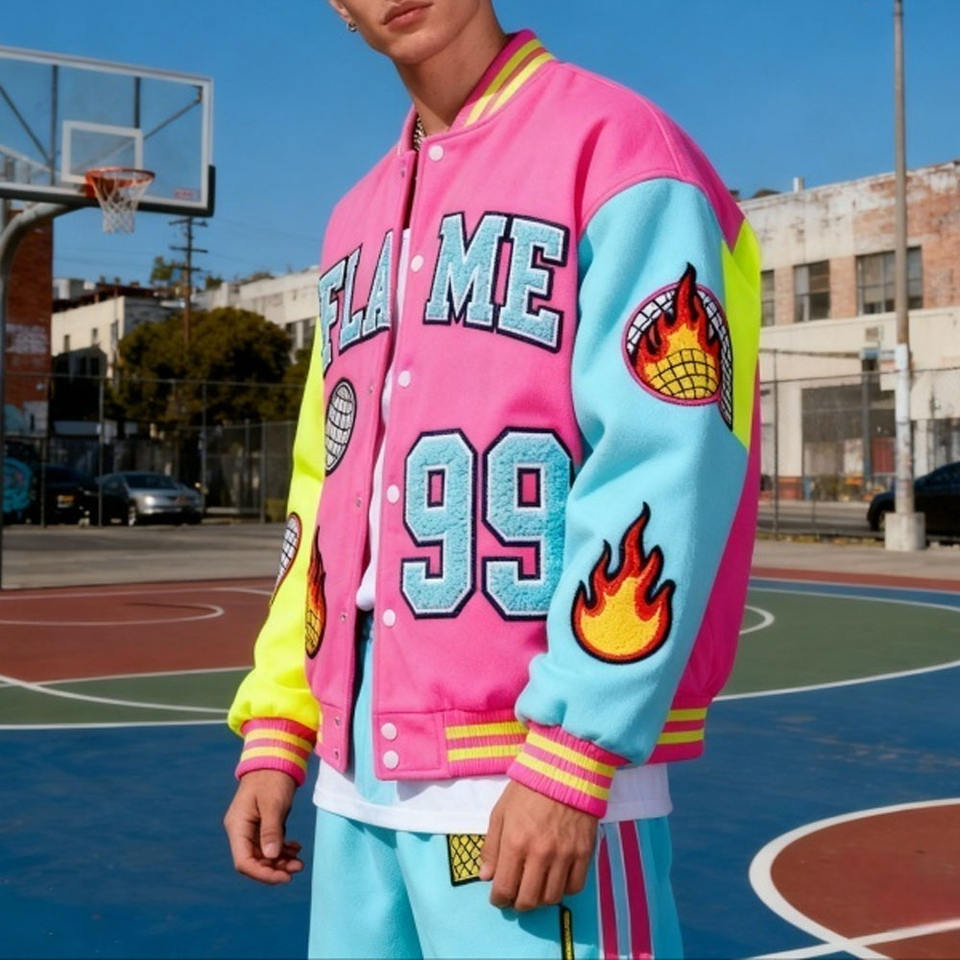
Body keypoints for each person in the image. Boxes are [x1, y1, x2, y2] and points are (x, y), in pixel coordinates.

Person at [223, 2, 762, 957]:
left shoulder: (621, 148)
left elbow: (665, 453)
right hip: (356, 776)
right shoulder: (352, 219)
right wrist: (281, 719)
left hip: (531, 771)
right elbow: (325, 487)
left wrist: (573, 751)